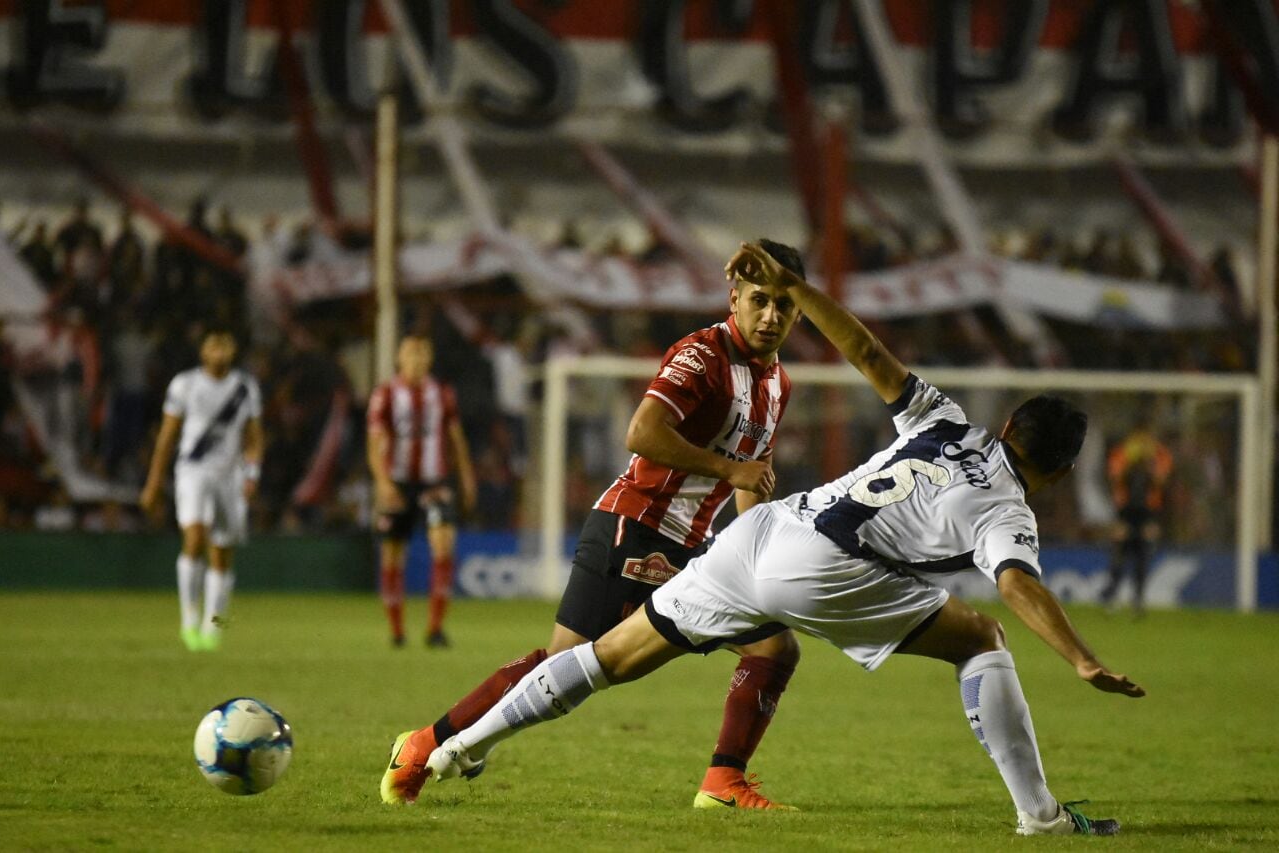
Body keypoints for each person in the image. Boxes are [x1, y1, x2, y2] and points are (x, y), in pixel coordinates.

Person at [420, 243, 1146, 837]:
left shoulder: (945, 418)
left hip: (763, 530)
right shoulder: (1007, 507)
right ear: (1063, 470)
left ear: (1009, 424)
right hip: (827, 567)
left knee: (606, 657)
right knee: (981, 637)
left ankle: (458, 748)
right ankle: (1041, 817)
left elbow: (861, 347)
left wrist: (801, 283)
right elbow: (1016, 583)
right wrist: (1081, 659)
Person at [382, 239, 806, 810]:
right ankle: (425, 744)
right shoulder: (701, 355)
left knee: (774, 647)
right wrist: (731, 468)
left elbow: (750, 480)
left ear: (800, 312)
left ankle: (723, 782)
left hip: (692, 547)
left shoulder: (779, 383)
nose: (771, 315)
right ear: (734, 297)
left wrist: (751, 550)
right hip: (633, 527)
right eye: (760, 300)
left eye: (785, 305)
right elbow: (642, 433)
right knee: (564, 666)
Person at [141, 326, 263, 651]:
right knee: (195, 536)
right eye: (213, 344)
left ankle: (214, 626)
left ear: (234, 350)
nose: (220, 349)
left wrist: (252, 474)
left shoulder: (245, 387)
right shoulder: (185, 384)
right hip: (192, 471)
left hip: (230, 476)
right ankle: (188, 620)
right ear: (203, 352)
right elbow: (167, 437)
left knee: (222, 553)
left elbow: (253, 438)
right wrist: (153, 482)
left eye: (226, 343)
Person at [367, 335, 477, 648]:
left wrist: (467, 477)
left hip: (434, 482)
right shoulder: (385, 394)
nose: (416, 360)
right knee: (391, 555)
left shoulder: (441, 393)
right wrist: (383, 482)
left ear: (429, 359)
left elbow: (456, 438)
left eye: (421, 353)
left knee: (443, 546)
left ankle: (435, 629)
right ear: (400, 358)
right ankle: (397, 631)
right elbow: (374, 445)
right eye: (410, 353)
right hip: (397, 482)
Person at [1099, 416, 1172, 616]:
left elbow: (1161, 483)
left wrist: (1148, 463)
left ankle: (1137, 600)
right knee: (1119, 553)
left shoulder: (1160, 455)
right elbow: (1115, 480)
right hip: (1125, 510)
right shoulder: (1121, 454)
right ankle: (1111, 597)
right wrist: (1131, 461)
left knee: (1144, 554)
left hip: (1149, 511)